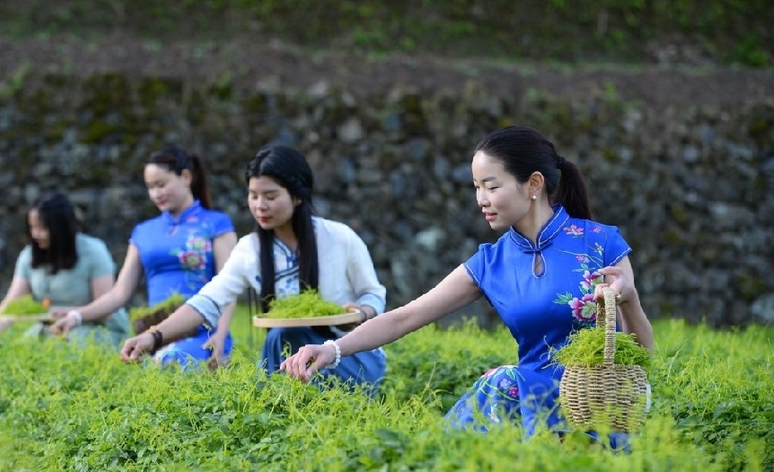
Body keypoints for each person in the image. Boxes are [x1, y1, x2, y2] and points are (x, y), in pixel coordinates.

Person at [281, 125, 655, 441]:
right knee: (503, 385)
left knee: (503, 383)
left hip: (599, 404)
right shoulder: (491, 262)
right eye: (476, 187)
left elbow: (643, 355)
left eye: (491, 186)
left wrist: (631, 300)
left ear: (533, 184)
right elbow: (407, 316)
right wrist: (333, 349)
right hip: (526, 404)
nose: (481, 200)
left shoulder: (600, 243)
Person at [119, 146, 388, 391]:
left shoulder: (340, 237)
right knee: (282, 337)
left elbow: (373, 293)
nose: (260, 206)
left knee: (282, 337)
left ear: (297, 197)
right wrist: (154, 337)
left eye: (270, 196)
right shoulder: (251, 249)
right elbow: (208, 300)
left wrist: (361, 312)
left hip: (350, 355)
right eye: (253, 195)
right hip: (292, 354)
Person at [50, 146, 238, 369]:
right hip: (154, 334)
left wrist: (219, 336)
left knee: (171, 363)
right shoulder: (143, 231)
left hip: (204, 334)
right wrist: (77, 316)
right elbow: (119, 293)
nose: (156, 193)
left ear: (186, 177)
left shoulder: (216, 224)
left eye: (161, 184)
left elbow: (229, 287)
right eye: (150, 187)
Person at [0, 191, 130, 347]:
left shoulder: (93, 251)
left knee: (62, 344)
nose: (35, 234)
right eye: (32, 227)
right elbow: (11, 302)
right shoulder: (29, 255)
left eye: (42, 228)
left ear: (62, 228)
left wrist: (72, 313)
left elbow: (107, 308)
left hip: (96, 327)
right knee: (23, 346)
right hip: (53, 326)